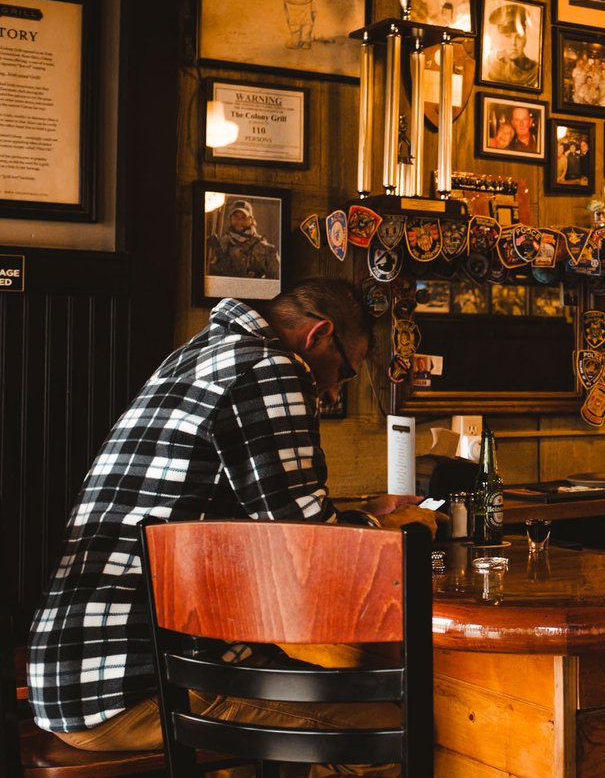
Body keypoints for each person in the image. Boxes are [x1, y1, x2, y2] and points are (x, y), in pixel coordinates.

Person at [27, 278, 439, 764]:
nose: (330, 391)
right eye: (343, 372)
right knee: (390, 733)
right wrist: (401, 530)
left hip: (71, 676)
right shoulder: (272, 366)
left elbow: (255, 513)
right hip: (135, 686)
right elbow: (309, 552)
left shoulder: (199, 354)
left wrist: (363, 513)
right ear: (319, 335)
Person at [206, 199, 280, 280]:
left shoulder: (263, 247)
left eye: (243, 217)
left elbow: (277, 280)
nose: (239, 221)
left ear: (251, 220)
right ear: (230, 219)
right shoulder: (223, 242)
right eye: (235, 217)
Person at [485, 3, 538, 88]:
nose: (513, 43)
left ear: (525, 39)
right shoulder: (490, 65)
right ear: (500, 38)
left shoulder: (533, 71)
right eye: (508, 36)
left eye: (518, 37)